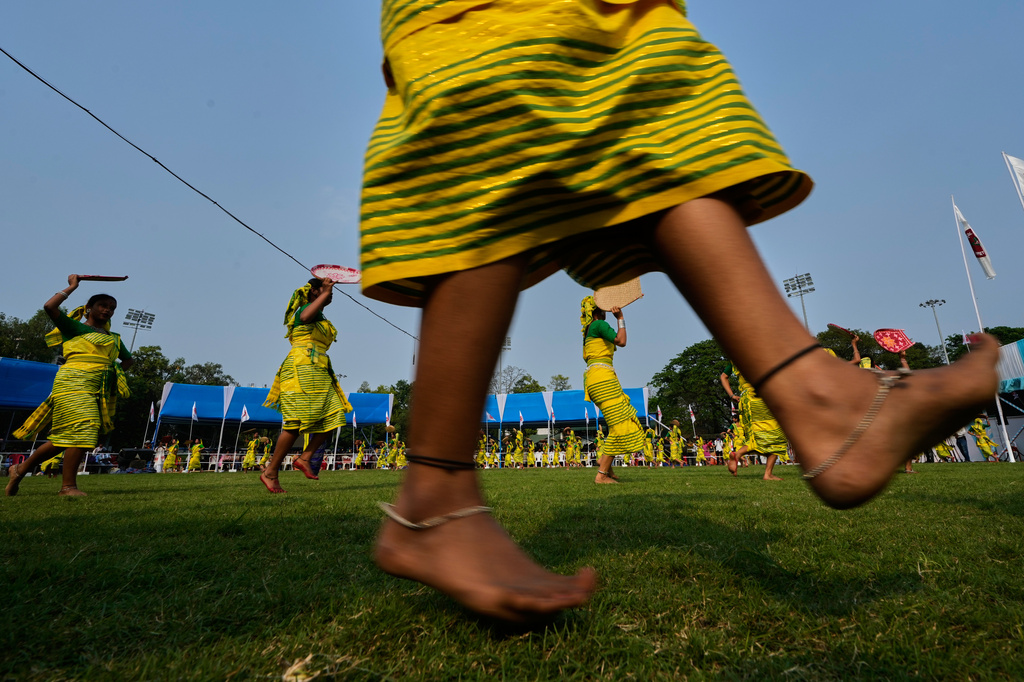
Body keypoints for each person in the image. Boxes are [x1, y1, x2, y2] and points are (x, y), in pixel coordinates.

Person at [363, 0, 999, 621]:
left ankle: (818, 397)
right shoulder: (594, 324)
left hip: (606, 369)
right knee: (513, 72)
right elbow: (601, 327)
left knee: (645, 95)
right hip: (599, 376)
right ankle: (435, 490)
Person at [7, 275, 133, 496]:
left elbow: (128, 361)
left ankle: (20, 469)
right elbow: (49, 306)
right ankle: (67, 487)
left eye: (112, 308)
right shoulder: (74, 327)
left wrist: (111, 372)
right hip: (72, 383)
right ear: (89, 308)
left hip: (97, 388)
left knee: (67, 437)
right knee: (86, 428)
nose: (107, 310)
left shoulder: (114, 338)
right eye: (102, 305)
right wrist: (73, 286)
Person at [260, 278, 353, 493]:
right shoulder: (305, 310)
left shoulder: (320, 315)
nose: (330, 296)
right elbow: (303, 316)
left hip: (318, 370)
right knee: (294, 423)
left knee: (334, 417)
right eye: (325, 291)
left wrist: (325, 294)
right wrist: (325, 292)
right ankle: (270, 472)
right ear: (314, 292)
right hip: (300, 369)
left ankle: (305, 457)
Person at [579, 297, 646, 482]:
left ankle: (607, 467)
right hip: (603, 380)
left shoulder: (588, 330)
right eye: (605, 308)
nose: (607, 311)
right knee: (621, 425)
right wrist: (620, 317)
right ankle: (601, 474)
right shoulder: (599, 325)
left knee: (619, 422)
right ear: (598, 311)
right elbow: (621, 341)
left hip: (596, 379)